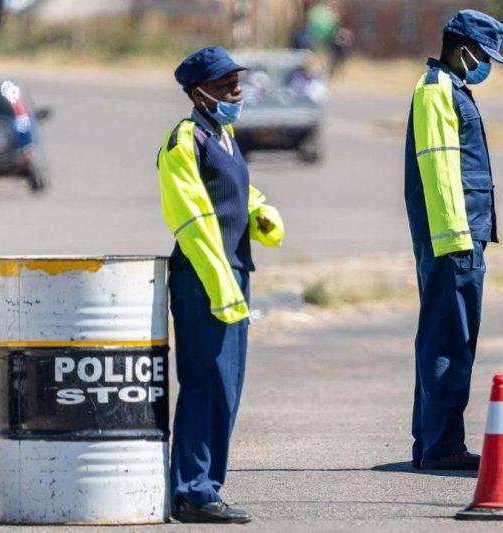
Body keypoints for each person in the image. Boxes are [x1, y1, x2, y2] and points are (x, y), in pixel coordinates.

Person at [157, 46, 285, 523]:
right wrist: (219, 283)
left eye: (238, 81)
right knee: (205, 382)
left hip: (232, 272)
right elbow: (190, 219)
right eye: (225, 83)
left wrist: (259, 212)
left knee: (228, 385)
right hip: (203, 277)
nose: (236, 90)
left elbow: (235, 192)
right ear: (198, 93)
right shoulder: (184, 141)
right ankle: (192, 491)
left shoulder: (223, 134)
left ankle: (207, 486)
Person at [404, 10, 503, 470]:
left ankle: (431, 439)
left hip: (457, 238)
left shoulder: (448, 89)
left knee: (442, 338)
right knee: (450, 341)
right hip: (454, 240)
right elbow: (442, 170)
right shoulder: (439, 90)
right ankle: (442, 443)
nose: (486, 65)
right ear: (461, 48)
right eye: (483, 55)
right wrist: (458, 239)